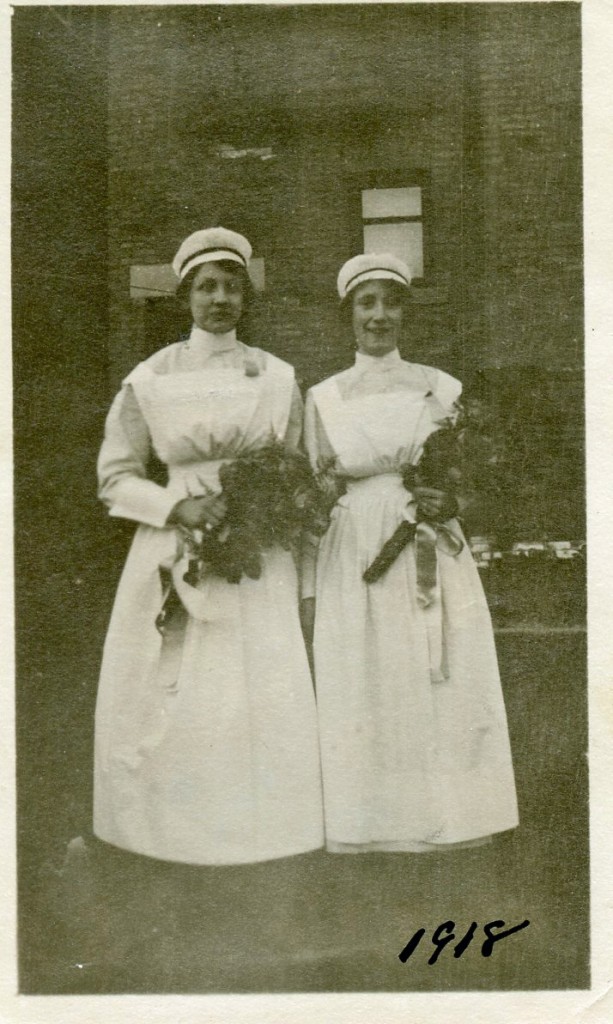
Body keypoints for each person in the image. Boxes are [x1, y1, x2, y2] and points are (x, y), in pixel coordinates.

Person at [93, 227, 324, 865]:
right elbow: (114, 478)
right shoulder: (151, 376)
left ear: (246, 296)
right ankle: (168, 834)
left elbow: (297, 470)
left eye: (231, 286)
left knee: (253, 683)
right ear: (187, 295)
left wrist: (264, 511)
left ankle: (265, 834)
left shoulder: (278, 377)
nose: (219, 299)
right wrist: (177, 506)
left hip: (256, 554)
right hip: (174, 548)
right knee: (179, 682)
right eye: (207, 287)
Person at [301, 252, 518, 854]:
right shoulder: (322, 398)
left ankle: (448, 818)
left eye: (390, 302)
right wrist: (310, 586)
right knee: (366, 674)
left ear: (405, 312)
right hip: (354, 551)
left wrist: (449, 496)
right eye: (366, 303)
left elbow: (472, 476)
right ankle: (368, 824)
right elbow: (315, 493)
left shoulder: (440, 387)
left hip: (428, 542)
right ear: (348, 315)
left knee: (437, 668)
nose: (379, 315)